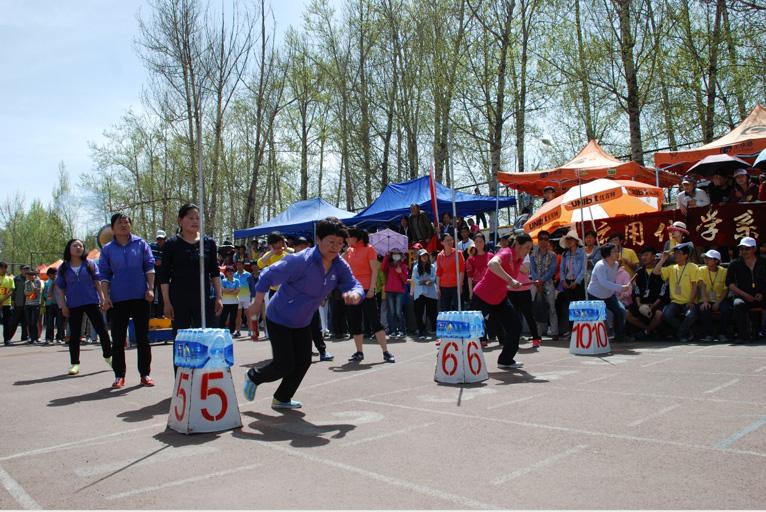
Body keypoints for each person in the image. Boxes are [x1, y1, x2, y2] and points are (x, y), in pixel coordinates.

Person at [243, 218, 364, 408]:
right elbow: (267, 275)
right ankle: (253, 376)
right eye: (331, 242)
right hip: (279, 317)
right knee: (284, 364)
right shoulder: (300, 260)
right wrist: (257, 303)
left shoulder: (339, 265)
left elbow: (353, 284)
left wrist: (355, 294)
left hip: (303, 321)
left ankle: (282, 398)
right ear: (318, 240)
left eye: (340, 243)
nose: (335, 247)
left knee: (304, 361)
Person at [159, 204, 223, 372]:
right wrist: (166, 302)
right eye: (191, 218)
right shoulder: (171, 244)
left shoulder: (208, 243)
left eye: (198, 218)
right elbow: (164, 276)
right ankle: (182, 379)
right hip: (179, 300)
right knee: (181, 340)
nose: (195, 221)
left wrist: (219, 297)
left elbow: (215, 272)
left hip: (203, 299)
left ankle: (205, 377)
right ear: (180, 220)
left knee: (206, 338)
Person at [99, 213, 156, 388]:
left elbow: (149, 266)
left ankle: (145, 374)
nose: (124, 225)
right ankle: (119, 375)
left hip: (141, 297)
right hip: (118, 299)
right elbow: (104, 275)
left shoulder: (141, 244)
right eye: (120, 223)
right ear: (113, 228)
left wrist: (150, 288)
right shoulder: (107, 249)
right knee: (118, 338)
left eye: (126, 222)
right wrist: (105, 297)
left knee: (142, 337)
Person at [471, 233, 534, 369]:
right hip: (482, 296)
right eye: (527, 247)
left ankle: (505, 360)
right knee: (471, 329)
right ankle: (458, 358)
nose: (528, 251)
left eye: (530, 249)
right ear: (518, 245)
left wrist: (512, 284)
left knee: (515, 326)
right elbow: (492, 264)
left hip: (499, 298)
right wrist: (511, 280)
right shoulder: (506, 253)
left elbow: (503, 281)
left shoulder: (518, 260)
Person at [54, 239, 113, 376]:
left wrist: (103, 299)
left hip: (91, 302)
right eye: (75, 245)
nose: (78, 248)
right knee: (74, 335)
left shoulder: (90, 264)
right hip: (73, 304)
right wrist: (63, 305)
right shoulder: (63, 267)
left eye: (80, 246)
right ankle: (75, 364)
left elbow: (97, 282)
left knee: (102, 330)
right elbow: (60, 288)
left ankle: (108, 356)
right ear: (69, 249)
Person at [344, 227, 393, 362]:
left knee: (374, 321)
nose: (347, 239)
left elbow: (374, 270)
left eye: (349, 236)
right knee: (355, 322)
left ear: (356, 238)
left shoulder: (369, 249)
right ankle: (359, 352)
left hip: (366, 290)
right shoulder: (349, 250)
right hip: (353, 291)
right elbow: (339, 264)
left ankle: (386, 352)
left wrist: (372, 289)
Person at [653, 243, 699, 343]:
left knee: (691, 316)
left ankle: (681, 334)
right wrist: (663, 258)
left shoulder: (693, 267)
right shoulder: (671, 268)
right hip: (675, 302)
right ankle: (685, 332)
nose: (675, 255)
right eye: (675, 253)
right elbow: (656, 272)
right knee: (666, 315)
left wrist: (691, 301)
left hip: (689, 301)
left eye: (678, 253)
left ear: (685, 255)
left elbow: (695, 286)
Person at [587, 243, 632, 342]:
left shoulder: (616, 264)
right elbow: (604, 282)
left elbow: (612, 280)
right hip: (595, 295)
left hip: (609, 295)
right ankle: (596, 340)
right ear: (607, 254)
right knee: (597, 318)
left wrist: (621, 288)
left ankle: (619, 336)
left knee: (620, 311)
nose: (617, 253)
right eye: (614, 251)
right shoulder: (600, 265)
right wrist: (621, 288)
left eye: (617, 251)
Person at [725, 236, 766, 343]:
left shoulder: (763, 262)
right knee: (738, 304)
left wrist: (763, 293)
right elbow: (730, 284)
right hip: (742, 295)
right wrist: (744, 294)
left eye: (747, 249)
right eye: (741, 248)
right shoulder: (734, 264)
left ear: (754, 249)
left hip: (762, 295)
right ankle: (743, 335)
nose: (744, 251)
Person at [627, 247, 666, 338]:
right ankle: (648, 330)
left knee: (659, 314)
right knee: (626, 313)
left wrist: (653, 305)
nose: (643, 257)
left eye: (646, 255)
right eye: (642, 255)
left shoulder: (662, 271)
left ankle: (646, 332)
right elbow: (636, 289)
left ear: (654, 256)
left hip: (657, 302)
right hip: (641, 302)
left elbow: (663, 291)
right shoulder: (639, 272)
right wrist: (639, 304)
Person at [555, 230, 586, 338]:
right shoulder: (565, 254)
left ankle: (581, 331)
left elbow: (583, 269)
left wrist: (576, 282)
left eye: (571, 239)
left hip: (578, 282)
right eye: (567, 239)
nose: (569, 241)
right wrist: (563, 280)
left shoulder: (582, 252)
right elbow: (562, 269)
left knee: (579, 306)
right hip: (567, 282)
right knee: (570, 307)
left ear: (576, 241)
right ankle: (573, 330)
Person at [697, 249, 731, 342]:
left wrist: (718, 303)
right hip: (706, 298)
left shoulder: (724, 271)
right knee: (704, 309)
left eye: (709, 258)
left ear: (716, 261)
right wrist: (705, 301)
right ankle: (708, 334)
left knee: (726, 309)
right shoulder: (701, 270)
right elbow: (702, 286)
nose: (706, 260)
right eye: (705, 258)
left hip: (720, 299)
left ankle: (722, 334)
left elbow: (725, 289)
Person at [530, 230, 558, 340]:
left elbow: (552, 270)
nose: (543, 241)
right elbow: (532, 270)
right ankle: (537, 334)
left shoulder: (553, 255)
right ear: (538, 240)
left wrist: (541, 281)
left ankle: (554, 332)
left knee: (552, 308)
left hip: (548, 283)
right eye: (541, 239)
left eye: (545, 239)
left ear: (548, 241)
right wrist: (537, 282)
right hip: (535, 284)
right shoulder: (532, 254)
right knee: (537, 308)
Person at [381, 249, 409, 338]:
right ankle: (393, 331)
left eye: (397, 253)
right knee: (391, 312)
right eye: (394, 253)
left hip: (399, 292)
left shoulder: (403, 266)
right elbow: (382, 268)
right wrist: (386, 256)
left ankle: (402, 330)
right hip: (389, 291)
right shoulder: (389, 265)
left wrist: (400, 272)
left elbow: (405, 280)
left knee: (398, 312)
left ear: (400, 255)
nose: (395, 255)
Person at [411, 248, 437, 339]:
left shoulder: (432, 266)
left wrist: (430, 281)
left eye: (426, 255)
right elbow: (414, 278)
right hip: (420, 292)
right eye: (422, 256)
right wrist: (421, 282)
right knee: (419, 313)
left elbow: (434, 277)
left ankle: (434, 329)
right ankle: (421, 331)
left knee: (432, 312)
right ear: (419, 257)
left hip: (431, 292)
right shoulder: (416, 267)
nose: (424, 257)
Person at [436, 233, 465, 312]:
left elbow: (462, 271)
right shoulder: (439, 256)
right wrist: (438, 288)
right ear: (442, 242)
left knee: (458, 310)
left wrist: (460, 286)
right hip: (444, 287)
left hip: (456, 286)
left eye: (451, 240)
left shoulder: (458, 253)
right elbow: (438, 273)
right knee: (445, 311)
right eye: (447, 240)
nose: (450, 242)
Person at [42, 268, 64, 344]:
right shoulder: (49, 282)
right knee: (50, 322)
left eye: (50, 275)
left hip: (60, 304)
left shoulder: (61, 281)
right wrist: (53, 284)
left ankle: (59, 337)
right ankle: (49, 338)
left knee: (59, 322)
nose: (50, 277)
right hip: (51, 304)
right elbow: (48, 294)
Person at [150, 230, 167, 317]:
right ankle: (151, 313)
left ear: (165, 239)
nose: (160, 241)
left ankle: (160, 313)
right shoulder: (151, 246)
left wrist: (162, 262)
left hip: (163, 271)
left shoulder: (168, 247)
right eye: (158, 239)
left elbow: (171, 259)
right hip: (152, 271)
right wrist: (154, 261)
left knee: (162, 292)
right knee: (151, 290)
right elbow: (147, 257)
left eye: (162, 239)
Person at [234, 259, 252, 337]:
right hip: (237, 297)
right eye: (237, 265)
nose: (238, 266)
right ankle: (238, 331)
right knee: (238, 315)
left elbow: (251, 286)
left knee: (248, 314)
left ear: (243, 265)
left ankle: (250, 330)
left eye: (240, 264)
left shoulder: (248, 275)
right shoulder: (234, 275)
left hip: (246, 297)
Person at [220, 266, 240, 335]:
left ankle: (231, 332)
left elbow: (237, 291)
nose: (230, 272)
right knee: (223, 317)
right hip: (225, 302)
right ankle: (221, 331)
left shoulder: (237, 280)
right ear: (226, 273)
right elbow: (223, 290)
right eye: (228, 271)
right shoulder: (223, 280)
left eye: (231, 271)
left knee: (233, 318)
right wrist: (232, 290)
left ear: (233, 272)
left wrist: (228, 290)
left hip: (235, 302)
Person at [23, 270, 42, 344]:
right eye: (28, 275)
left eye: (31, 275)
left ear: (34, 276)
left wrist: (33, 288)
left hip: (36, 304)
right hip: (28, 304)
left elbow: (38, 291)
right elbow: (26, 293)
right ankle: (31, 337)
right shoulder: (26, 282)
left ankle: (35, 338)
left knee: (34, 322)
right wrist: (33, 291)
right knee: (29, 322)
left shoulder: (38, 282)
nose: (29, 277)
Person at [11, 265, 29, 342]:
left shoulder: (29, 278)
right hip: (18, 303)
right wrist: (12, 301)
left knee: (25, 322)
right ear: (21, 270)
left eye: (27, 269)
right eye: (25, 269)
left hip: (27, 304)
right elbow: (13, 291)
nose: (26, 270)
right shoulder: (16, 279)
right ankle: (8, 337)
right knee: (14, 321)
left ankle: (24, 337)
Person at [0, 262, 14, 345]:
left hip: (6, 304)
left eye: (5, 268)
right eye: (1, 268)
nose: (3, 269)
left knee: (7, 322)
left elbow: (11, 291)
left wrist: (2, 300)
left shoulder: (10, 279)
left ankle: (7, 339)